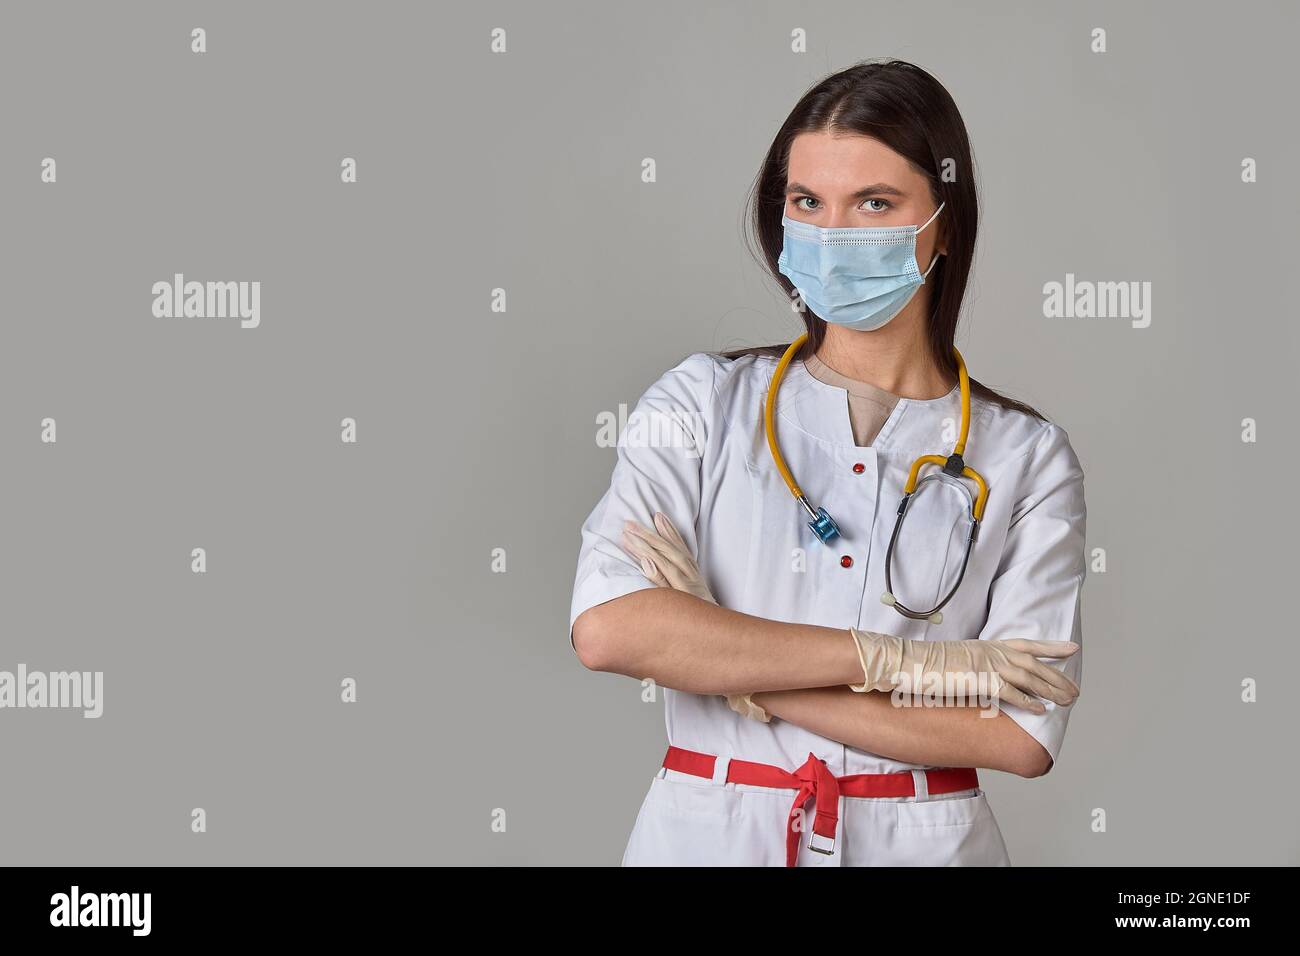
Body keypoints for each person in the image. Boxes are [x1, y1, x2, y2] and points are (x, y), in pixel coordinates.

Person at [568, 59, 1086, 867]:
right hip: (708, 836)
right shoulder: (701, 404)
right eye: (808, 202)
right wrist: (911, 666)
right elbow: (610, 628)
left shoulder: (1025, 455)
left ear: (944, 224)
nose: (833, 234)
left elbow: (1018, 736)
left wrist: (739, 670)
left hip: (923, 843)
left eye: (874, 203)